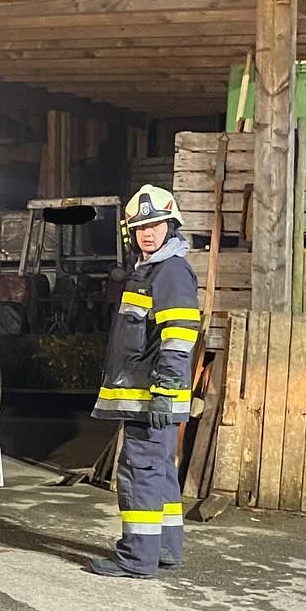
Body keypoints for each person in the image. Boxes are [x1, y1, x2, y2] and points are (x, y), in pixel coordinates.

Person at [89, 186, 200, 578]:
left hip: (152, 395)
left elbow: (180, 334)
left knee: (140, 472)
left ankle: (136, 558)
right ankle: (164, 550)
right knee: (160, 473)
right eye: (140, 227)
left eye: (155, 225)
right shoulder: (150, 270)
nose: (147, 233)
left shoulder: (170, 271)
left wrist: (166, 390)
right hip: (147, 394)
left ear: (171, 226)